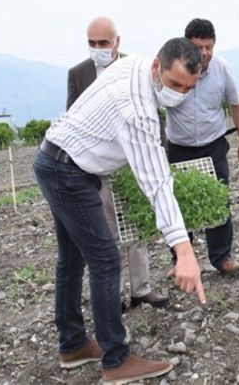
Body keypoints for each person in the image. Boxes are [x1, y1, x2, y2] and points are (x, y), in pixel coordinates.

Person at [34, 37, 206, 383]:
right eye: (174, 84)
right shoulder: (137, 111)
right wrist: (183, 250)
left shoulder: (138, 65)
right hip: (69, 172)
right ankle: (116, 359)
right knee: (106, 261)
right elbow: (157, 183)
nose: (178, 94)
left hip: (54, 158)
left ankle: (73, 345)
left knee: (71, 258)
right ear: (158, 66)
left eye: (187, 88)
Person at [67, 17, 169, 310]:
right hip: (97, 167)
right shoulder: (78, 74)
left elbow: (152, 113)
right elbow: (73, 118)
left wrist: (158, 152)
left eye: (103, 43)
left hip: (131, 161)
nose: (98, 48)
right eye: (92, 43)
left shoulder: (134, 69)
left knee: (136, 227)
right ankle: (116, 294)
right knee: (107, 233)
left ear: (116, 42)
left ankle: (141, 289)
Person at [166, 18, 239, 274]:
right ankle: (181, 260)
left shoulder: (222, 69)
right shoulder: (173, 70)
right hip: (179, 147)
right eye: (198, 47)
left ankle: (221, 256)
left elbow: (236, 105)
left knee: (218, 200)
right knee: (179, 204)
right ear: (186, 46)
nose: (204, 53)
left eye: (208, 47)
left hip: (213, 144)